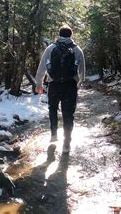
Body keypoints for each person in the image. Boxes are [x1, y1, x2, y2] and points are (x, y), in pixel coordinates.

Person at [35, 25, 85, 153]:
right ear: (71, 35)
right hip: (70, 86)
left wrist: (39, 83)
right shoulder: (77, 50)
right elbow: (82, 71)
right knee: (68, 114)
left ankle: (53, 134)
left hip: (54, 85)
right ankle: (67, 143)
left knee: (52, 109)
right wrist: (78, 84)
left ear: (59, 34)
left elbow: (42, 67)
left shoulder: (50, 48)